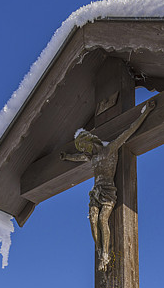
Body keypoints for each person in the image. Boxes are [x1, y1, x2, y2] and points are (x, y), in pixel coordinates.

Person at [60, 98, 156, 270]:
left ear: (90, 141)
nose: (84, 150)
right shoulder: (92, 157)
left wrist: (146, 112)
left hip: (108, 191)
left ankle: (106, 253)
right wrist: (67, 156)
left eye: (85, 146)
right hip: (96, 191)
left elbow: (129, 131)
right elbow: (78, 158)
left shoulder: (110, 149)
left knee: (103, 219)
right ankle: (99, 250)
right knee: (92, 220)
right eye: (82, 148)